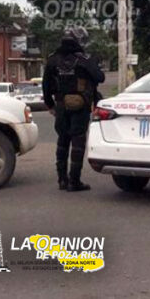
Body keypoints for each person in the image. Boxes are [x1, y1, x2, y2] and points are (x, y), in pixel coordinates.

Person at [42, 27, 105, 192]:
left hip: (61, 105)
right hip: (80, 105)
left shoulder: (52, 60)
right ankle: (74, 182)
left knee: (62, 141)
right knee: (78, 142)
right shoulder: (85, 59)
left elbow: (46, 86)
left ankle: (62, 180)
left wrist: (50, 105)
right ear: (80, 41)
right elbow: (100, 77)